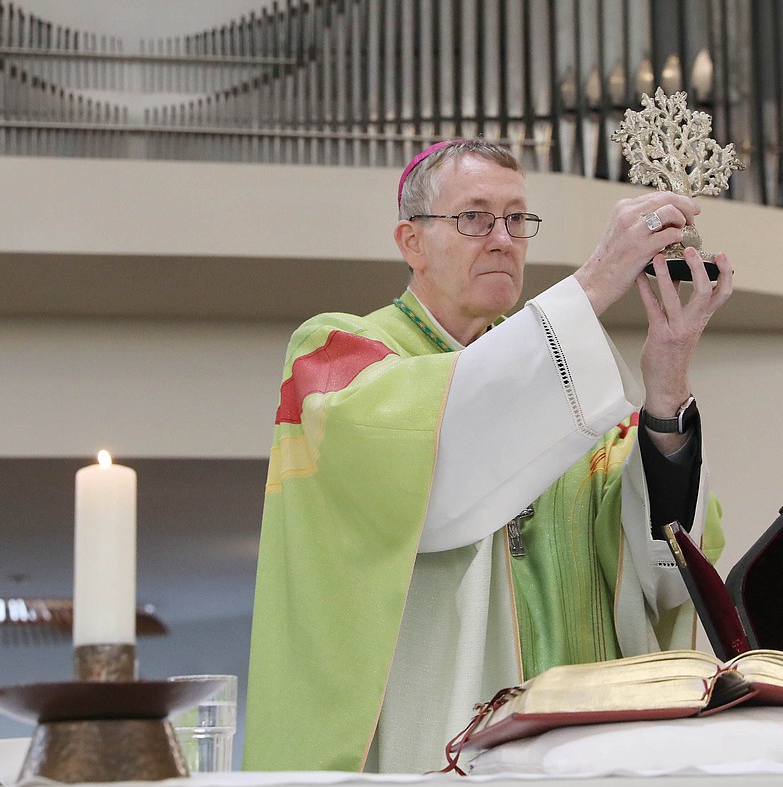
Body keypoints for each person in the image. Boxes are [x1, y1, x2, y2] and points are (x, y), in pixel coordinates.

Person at [243, 139, 732, 773]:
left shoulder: (569, 385)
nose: (502, 238)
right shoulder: (339, 357)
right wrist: (598, 278)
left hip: (579, 753)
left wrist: (665, 385)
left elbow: (664, 570)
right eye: (474, 217)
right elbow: (442, 471)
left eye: (516, 220)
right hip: (434, 746)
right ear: (411, 241)